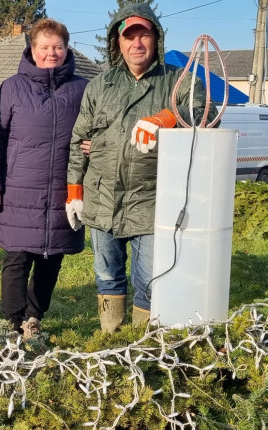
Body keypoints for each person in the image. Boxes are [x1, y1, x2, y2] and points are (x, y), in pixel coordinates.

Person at [66, 4, 218, 333]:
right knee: (107, 277)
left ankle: (142, 346)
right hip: (103, 198)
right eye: (129, 36)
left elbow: (204, 114)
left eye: (143, 35)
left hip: (152, 201)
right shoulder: (100, 86)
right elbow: (79, 141)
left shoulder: (177, 81)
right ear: (117, 43)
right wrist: (74, 192)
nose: (136, 43)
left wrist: (165, 118)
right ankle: (112, 340)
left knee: (150, 280)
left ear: (156, 39)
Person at [0, 19, 87, 338]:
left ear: (66, 49)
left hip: (63, 190)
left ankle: (34, 316)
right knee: (16, 257)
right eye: (44, 47)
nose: (51, 53)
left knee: (51, 258)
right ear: (32, 50)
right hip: (19, 189)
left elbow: (96, 131)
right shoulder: (13, 87)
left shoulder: (82, 89)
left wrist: (93, 143)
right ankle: (12, 322)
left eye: (57, 46)